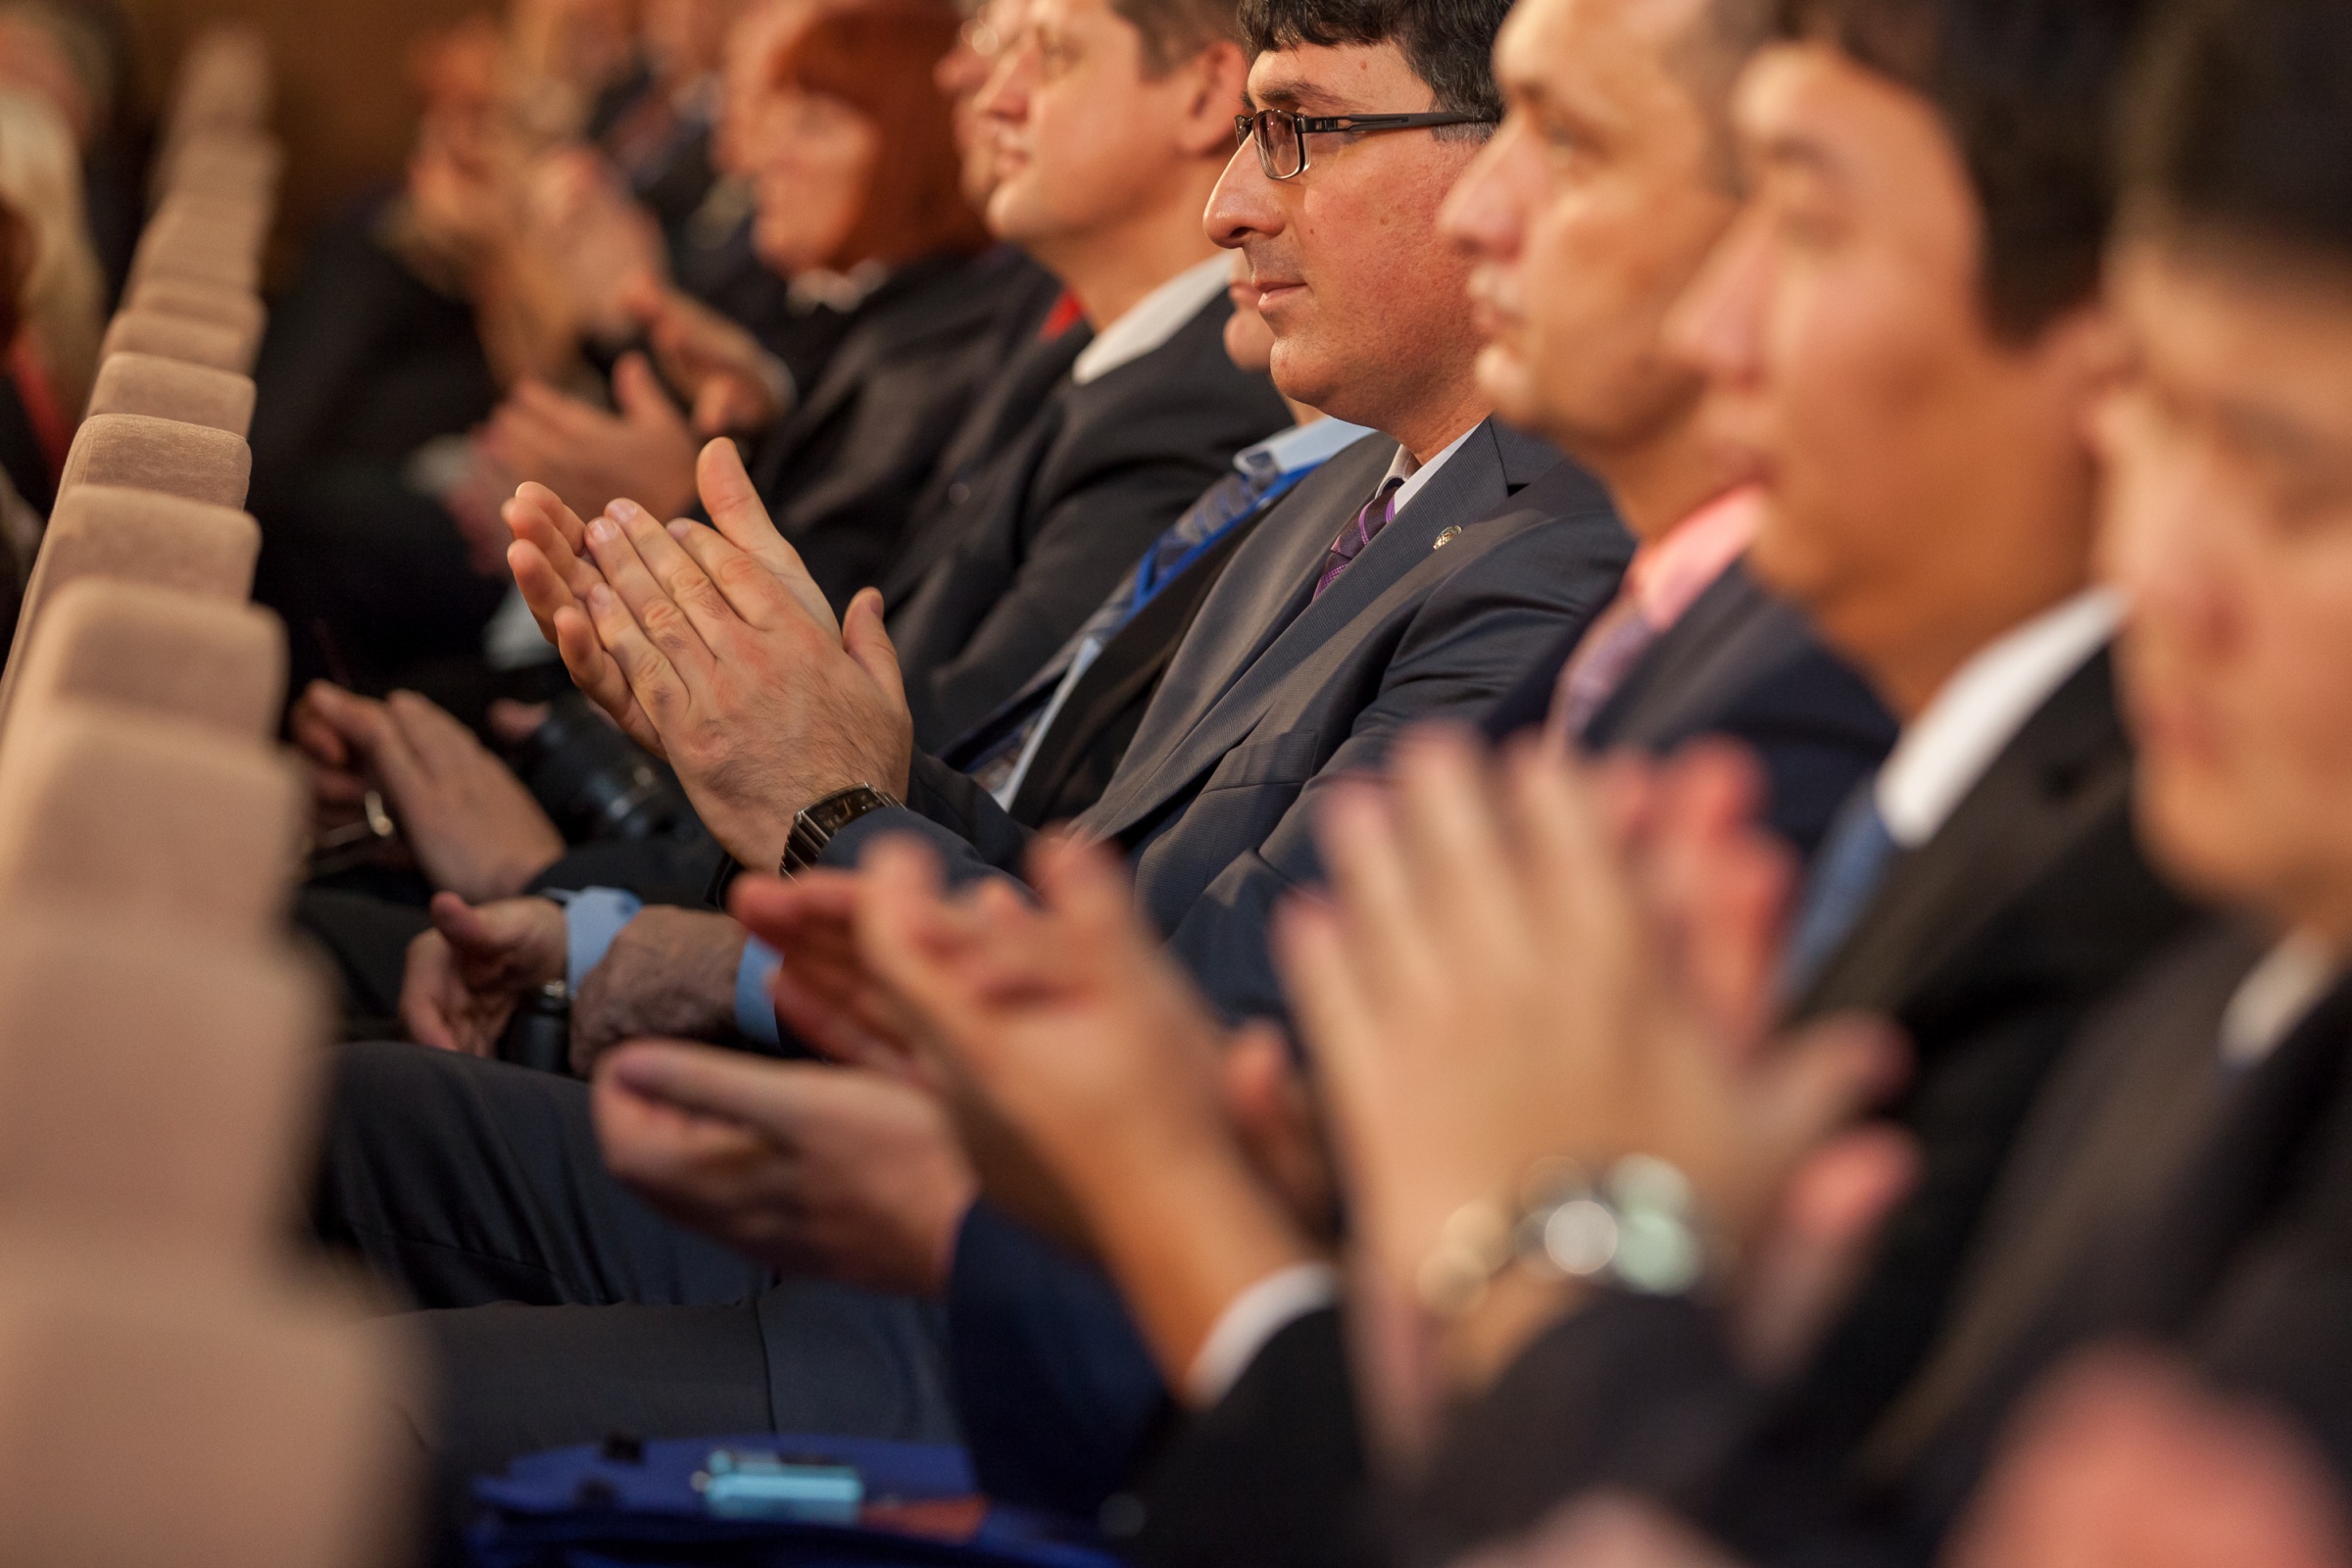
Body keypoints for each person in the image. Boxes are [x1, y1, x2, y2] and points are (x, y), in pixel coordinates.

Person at [804, 0, 2205, 1551]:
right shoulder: (1493, 553)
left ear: (2109, 348)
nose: (1727, 320)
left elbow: (1626, 1464)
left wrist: (1196, 1211)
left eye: (1800, 222)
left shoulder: (1863, 763)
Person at [1197, 0, 2352, 1561]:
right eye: (2171, 425)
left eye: (2285, 477)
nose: (1719, 330)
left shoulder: (2098, 913)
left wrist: (1549, 1265)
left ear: (2078, 341)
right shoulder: (2192, 1009)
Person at [307, 0, 1311, 1482]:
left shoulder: (1273, 446)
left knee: (317, 1393)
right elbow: (1003, 815)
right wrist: (670, 878)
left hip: (1007, 1298)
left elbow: (1163, 1001)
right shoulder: (1258, 446)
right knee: (320, 1102)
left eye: (1304, 131)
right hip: (898, 1072)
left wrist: (683, 858)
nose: (980, 83)